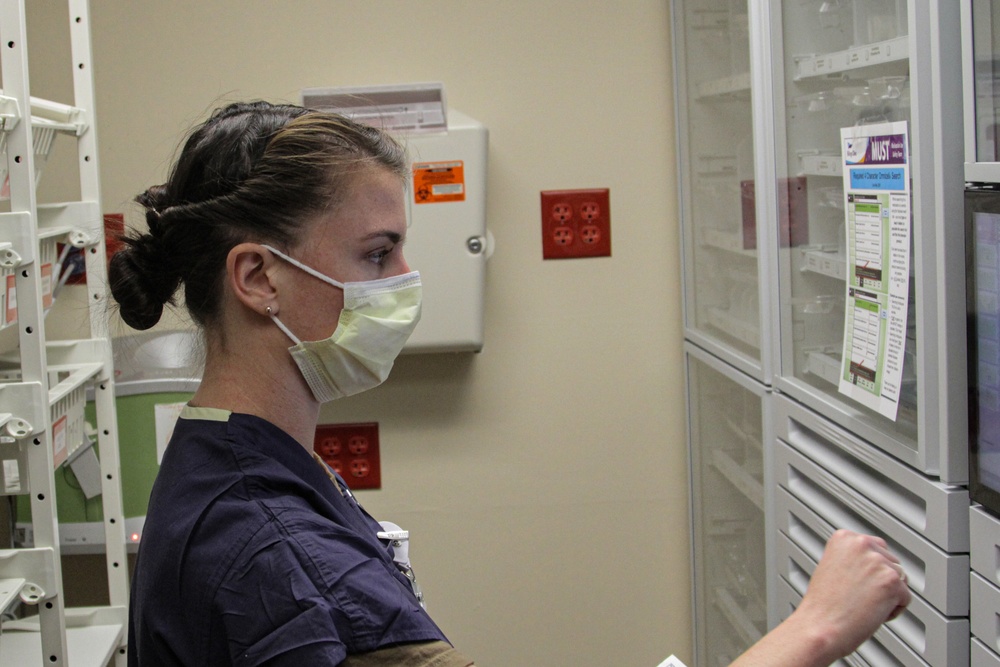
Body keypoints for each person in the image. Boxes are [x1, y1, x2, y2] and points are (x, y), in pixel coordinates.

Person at [109, 100, 909, 666]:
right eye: (378, 253)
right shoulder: (276, 553)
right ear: (258, 277)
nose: (409, 281)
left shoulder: (216, 459)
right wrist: (814, 629)